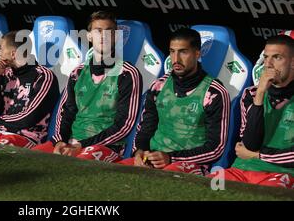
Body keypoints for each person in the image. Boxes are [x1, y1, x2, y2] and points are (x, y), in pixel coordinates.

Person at [32, 11, 143, 162]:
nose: (103, 36)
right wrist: (59, 141)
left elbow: (124, 124)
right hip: (71, 142)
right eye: (98, 31)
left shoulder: (128, 74)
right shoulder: (77, 73)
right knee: (31, 157)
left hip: (106, 146)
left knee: (74, 165)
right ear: (89, 36)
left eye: (109, 31)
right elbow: (65, 112)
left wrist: (82, 145)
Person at [119, 28, 230, 176]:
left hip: (188, 165)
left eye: (183, 52)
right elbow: (145, 129)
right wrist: (139, 152)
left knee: (163, 180)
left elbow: (216, 148)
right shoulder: (159, 86)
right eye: (172, 51)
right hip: (152, 158)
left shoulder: (215, 93)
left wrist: (171, 158)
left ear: (197, 54)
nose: (176, 59)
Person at [208, 35, 293, 188]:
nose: (269, 64)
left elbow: (252, 151)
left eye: (277, 58)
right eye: (266, 58)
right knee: (206, 187)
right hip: (241, 169)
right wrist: (260, 94)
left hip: (281, 174)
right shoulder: (251, 94)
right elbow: (250, 144)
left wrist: (257, 155)